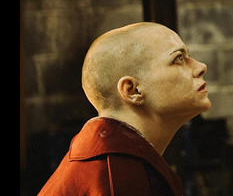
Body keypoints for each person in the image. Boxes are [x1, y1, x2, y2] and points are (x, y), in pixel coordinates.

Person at [39, 21, 211, 196]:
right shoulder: (120, 178)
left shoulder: (113, 162)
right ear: (132, 90)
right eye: (178, 59)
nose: (201, 67)